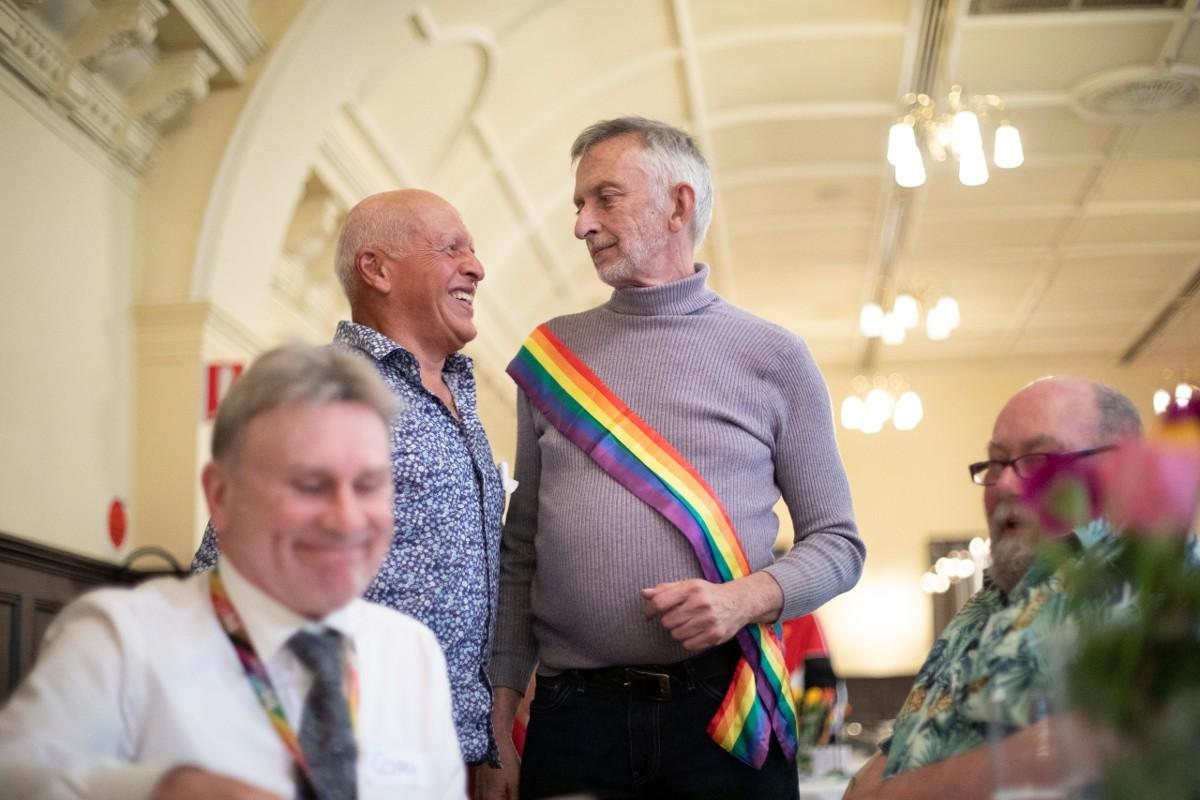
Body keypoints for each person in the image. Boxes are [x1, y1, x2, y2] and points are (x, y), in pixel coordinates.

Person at [481, 117, 864, 800]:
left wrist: (745, 599)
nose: (582, 225)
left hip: (722, 714)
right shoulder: (550, 358)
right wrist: (501, 717)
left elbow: (839, 545)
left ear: (679, 205)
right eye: (578, 205)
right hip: (573, 721)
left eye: (605, 198)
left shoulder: (775, 357)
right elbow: (520, 551)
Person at [0, 343, 464, 798]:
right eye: (309, 485)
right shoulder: (123, 639)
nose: (345, 519)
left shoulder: (412, 654)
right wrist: (155, 791)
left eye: (369, 485)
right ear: (220, 496)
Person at [193, 190, 505, 766]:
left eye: (474, 250)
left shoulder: (461, 392)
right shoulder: (317, 391)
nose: (477, 267)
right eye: (451, 248)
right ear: (377, 269)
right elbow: (223, 577)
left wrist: (488, 745)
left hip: (448, 751)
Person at [844, 376, 1143, 800]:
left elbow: (1097, 749)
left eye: (1039, 461)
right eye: (995, 463)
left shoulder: (1150, 580)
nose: (1004, 484)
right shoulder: (979, 609)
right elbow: (899, 750)